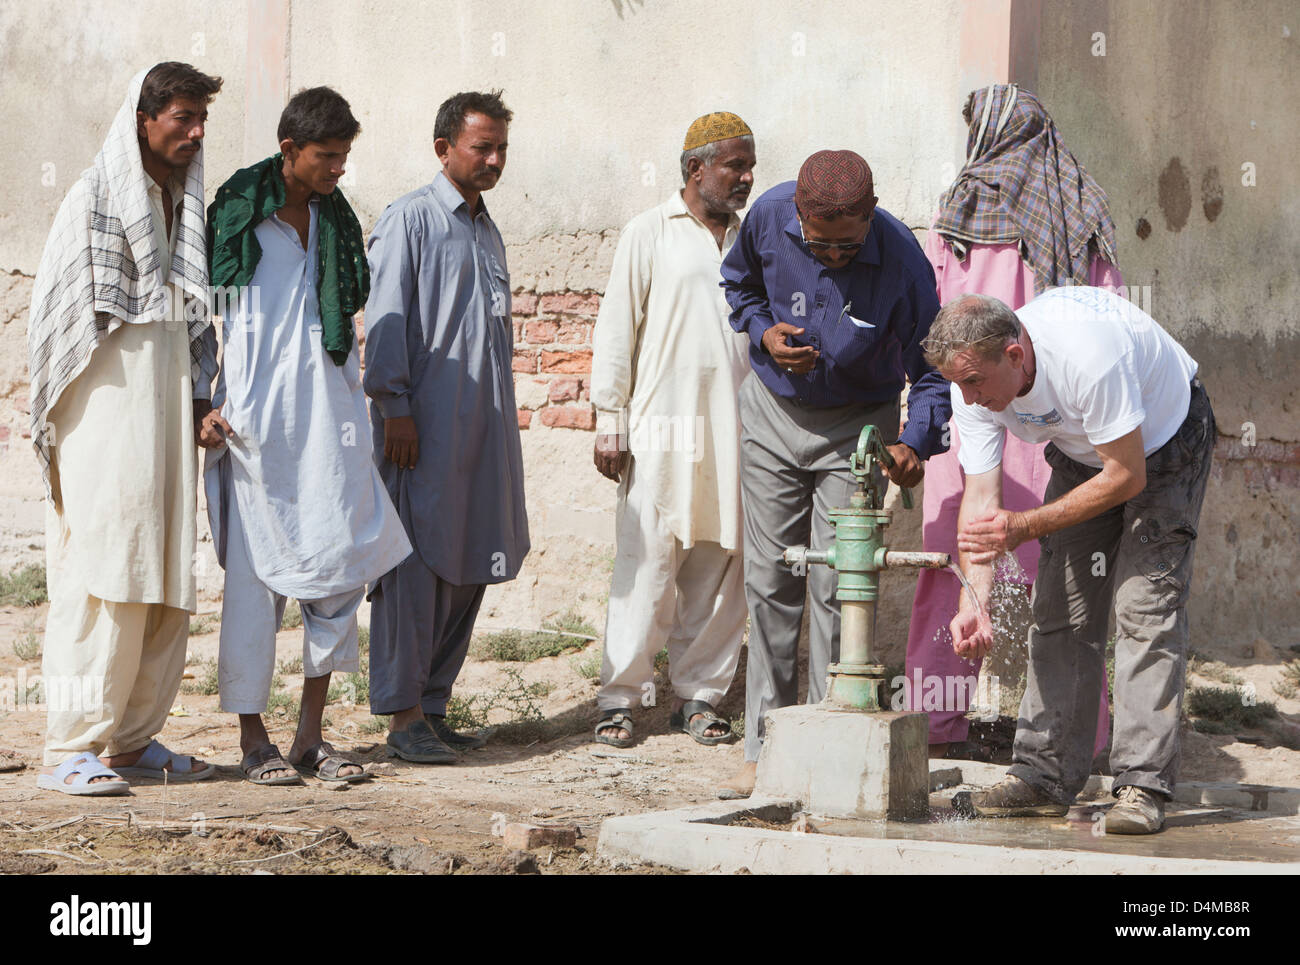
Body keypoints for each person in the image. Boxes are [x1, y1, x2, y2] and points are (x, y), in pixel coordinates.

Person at [929, 287, 1214, 834]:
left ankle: (1141, 785)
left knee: (1144, 610)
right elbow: (984, 506)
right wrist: (975, 600)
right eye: (957, 382)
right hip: (1087, 455)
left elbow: (1128, 475)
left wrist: (1028, 525)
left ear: (1014, 356)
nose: (964, 396)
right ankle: (1044, 775)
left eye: (973, 382)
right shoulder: (975, 387)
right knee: (1059, 612)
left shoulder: (1087, 355)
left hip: (1164, 446)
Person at [716, 149, 950, 798]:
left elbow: (932, 368)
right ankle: (764, 747)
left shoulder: (902, 261)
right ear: (797, 219)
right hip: (771, 417)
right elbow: (739, 287)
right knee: (771, 581)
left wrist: (913, 442)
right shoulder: (765, 217)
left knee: (837, 583)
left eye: (847, 249)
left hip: (857, 428)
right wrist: (763, 334)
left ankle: (821, 740)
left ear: (870, 218)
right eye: (820, 247)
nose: (833, 259)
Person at [907, 84, 1124, 759]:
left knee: (956, 560)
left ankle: (932, 728)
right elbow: (1107, 311)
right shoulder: (1081, 204)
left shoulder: (957, 208)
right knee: (1060, 575)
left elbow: (935, 318)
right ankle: (1081, 738)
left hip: (969, 399)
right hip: (1048, 404)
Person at [204, 87, 411, 784]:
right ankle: (253, 740)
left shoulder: (337, 220)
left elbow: (345, 316)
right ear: (289, 149)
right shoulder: (236, 213)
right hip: (254, 426)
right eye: (328, 157)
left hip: (332, 423)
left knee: (336, 573)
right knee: (255, 586)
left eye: (345, 156)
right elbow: (200, 318)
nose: (338, 169)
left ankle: (311, 737)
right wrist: (200, 402)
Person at [28, 63, 223, 794]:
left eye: (201, 118)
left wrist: (200, 398)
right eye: (182, 116)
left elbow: (191, 319)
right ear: (144, 119)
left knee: (165, 572)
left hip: (166, 413)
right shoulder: (94, 202)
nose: (195, 132)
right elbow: (61, 329)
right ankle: (68, 745)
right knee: (104, 570)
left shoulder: (180, 206)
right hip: (105, 414)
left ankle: (133, 741)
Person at [364, 90, 529, 763]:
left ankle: (432, 705)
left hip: (483, 432)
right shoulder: (411, 220)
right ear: (443, 150)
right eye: (480, 148)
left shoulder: (485, 227)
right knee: (414, 566)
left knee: (470, 560)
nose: (492, 160)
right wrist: (395, 406)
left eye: (500, 150)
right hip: (422, 428)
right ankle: (402, 717)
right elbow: (387, 320)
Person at [589, 112, 756, 748]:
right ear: (695, 169)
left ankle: (700, 697)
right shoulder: (648, 232)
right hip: (663, 424)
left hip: (734, 426)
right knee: (648, 560)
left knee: (720, 565)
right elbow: (615, 328)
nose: (744, 178)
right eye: (734, 166)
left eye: (749, 167)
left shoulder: (751, 240)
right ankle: (619, 698)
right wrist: (612, 418)